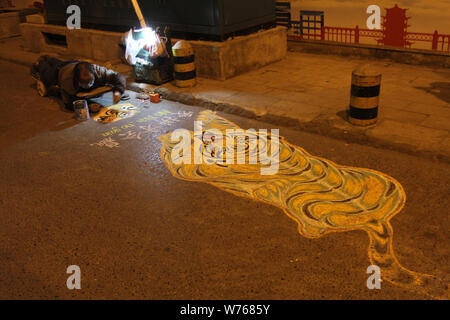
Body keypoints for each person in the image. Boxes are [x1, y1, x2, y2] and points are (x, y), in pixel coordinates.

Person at [31, 55, 126, 112]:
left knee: (59, 63)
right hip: (59, 71)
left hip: (74, 63)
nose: (89, 85)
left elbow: (118, 77)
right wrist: (88, 106)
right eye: (84, 83)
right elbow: (68, 101)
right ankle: (40, 62)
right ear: (77, 80)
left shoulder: (98, 71)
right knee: (47, 76)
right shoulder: (67, 80)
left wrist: (118, 91)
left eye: (90, 81)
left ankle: (50, 58)